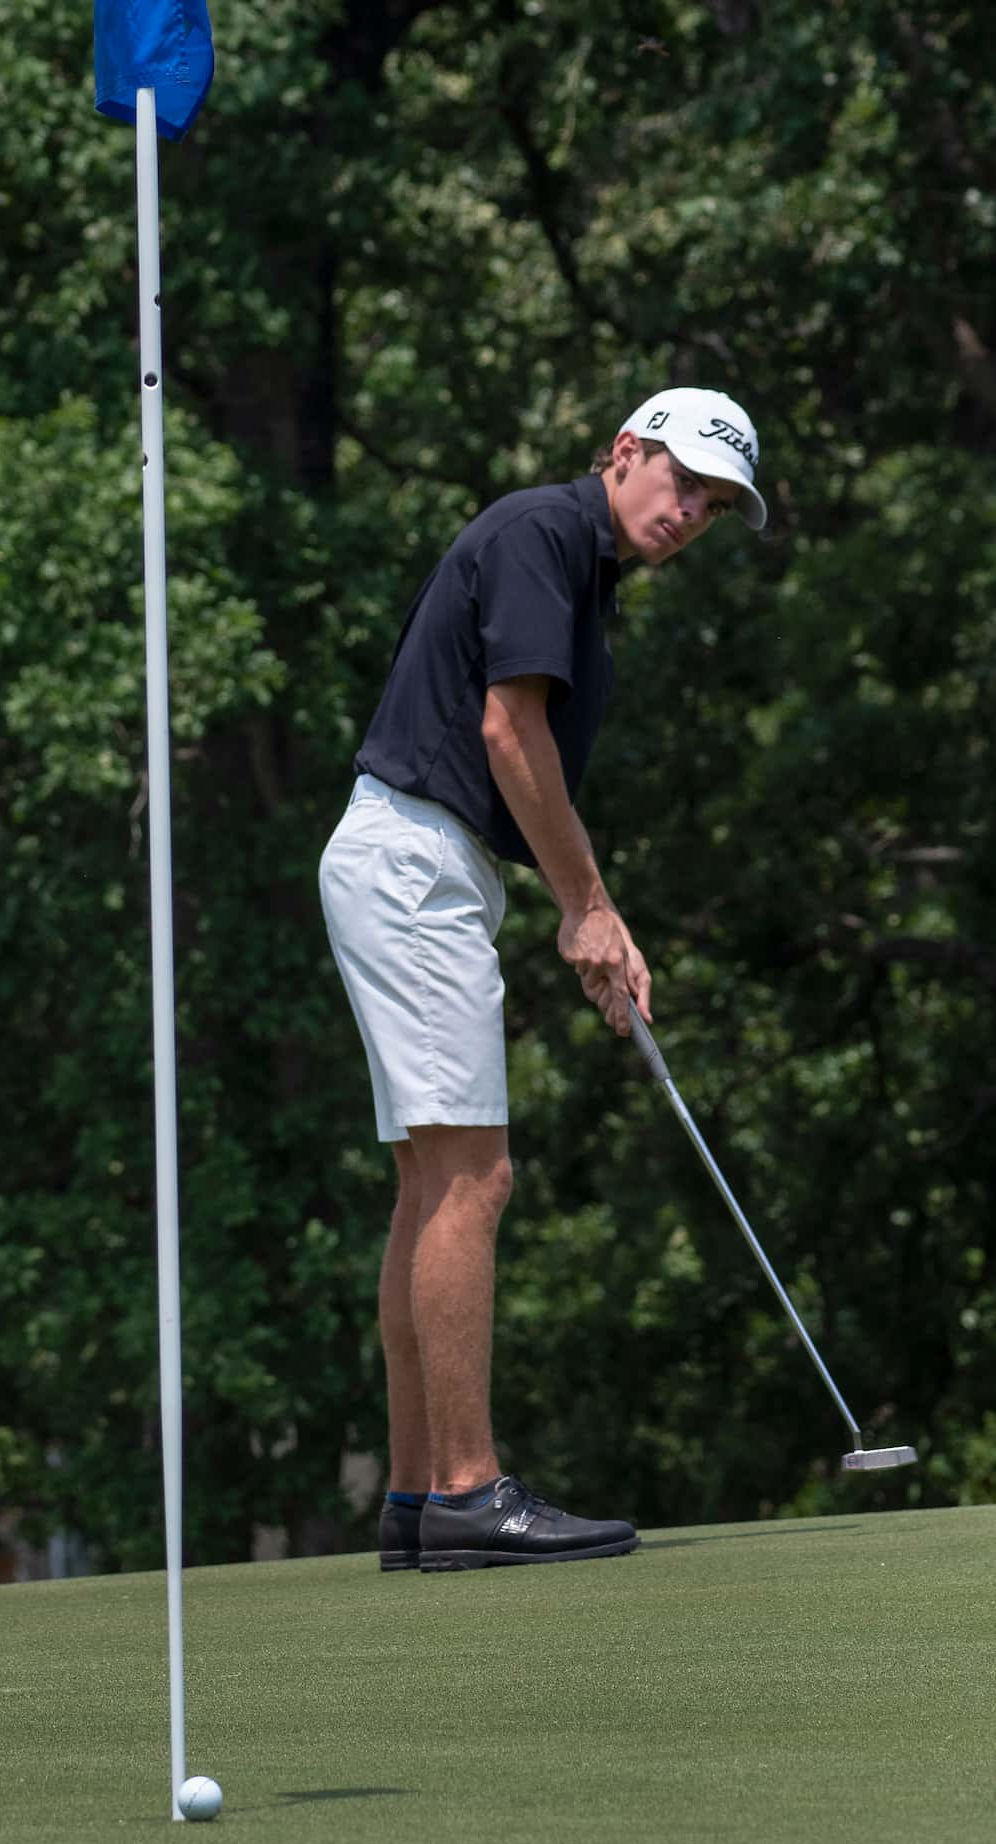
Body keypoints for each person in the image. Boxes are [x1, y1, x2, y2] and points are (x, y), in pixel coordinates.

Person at [319, 388, 766, 1572]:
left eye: (714, 505)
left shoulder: (581, 569)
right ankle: (470, 1492)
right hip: (415, 861)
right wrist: (589, 906)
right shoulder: (544, 536)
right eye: (682, 481)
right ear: (625, 451)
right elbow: (508, 737)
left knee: (431, 1182)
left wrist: (583, 913)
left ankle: (417, 1495)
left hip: (417, 862)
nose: (691, 513)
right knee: (477, 1176)